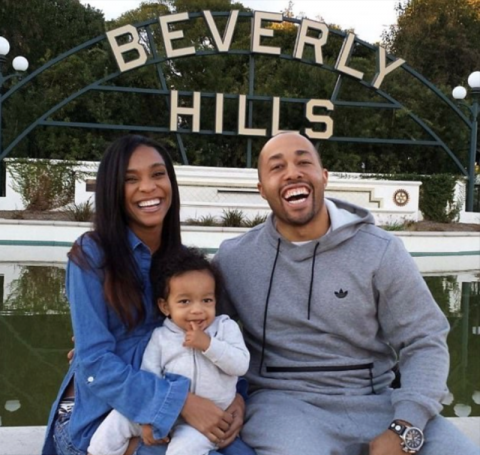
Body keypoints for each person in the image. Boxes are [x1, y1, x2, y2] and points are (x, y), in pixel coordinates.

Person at [214, 132, 480, 455]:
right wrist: (234, 397)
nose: (292, 172)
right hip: (283, 407)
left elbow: (424, 339)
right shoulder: (234, 259)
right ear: (261, 189)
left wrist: (405, 425)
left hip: (377, 401)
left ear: (323, 176)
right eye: (276, 167)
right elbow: (207, 338)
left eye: (303, 161)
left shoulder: (381, 250)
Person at [42, 135, 253, 455]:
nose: (148, 187)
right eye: (131, 179)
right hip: (98, 420)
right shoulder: (92, 255)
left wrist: (237, 398)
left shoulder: (186, 267)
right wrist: (179, 403)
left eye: (157, 174)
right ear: (113, 189)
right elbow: (95, 362)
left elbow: (215, 335)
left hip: (177, 412)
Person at [87, 247, 251, 455]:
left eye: (206, 300)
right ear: (165, 307)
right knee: (117, 421)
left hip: (206, 422)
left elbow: (241, 364)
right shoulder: (161, 337)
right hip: (165, 412)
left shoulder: (225, 328)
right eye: (185, 301)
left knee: (183, 450)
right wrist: (147, 416)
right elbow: (150, 376)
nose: (197, 309)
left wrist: (209, 345)